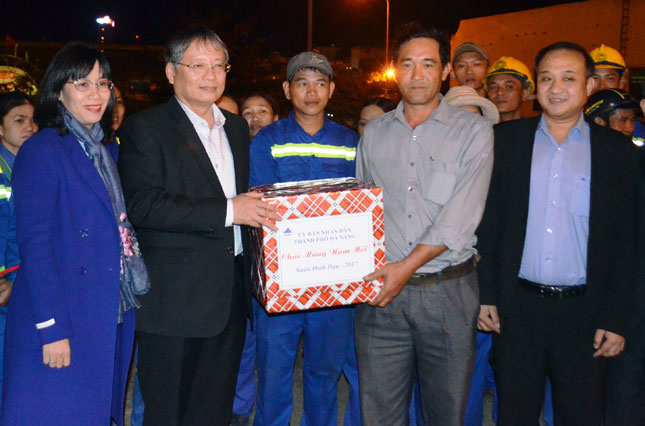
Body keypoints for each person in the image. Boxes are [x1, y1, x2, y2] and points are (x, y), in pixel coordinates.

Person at [117, 26, 279, 426]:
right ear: (171, 72)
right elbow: (143, 205)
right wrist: (229, 211)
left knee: (214, 410)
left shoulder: (236, 129)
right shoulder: (146, 128)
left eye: (219, 66)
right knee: (169, 412)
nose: (211, 75)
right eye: (198, 65)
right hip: (174, 302)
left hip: (229, 298)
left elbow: (248, 203)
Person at [477, 41, 637, 426]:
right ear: (536, 87)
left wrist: (617, 319)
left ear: (587, 87)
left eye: (569, 78)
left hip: (586, 311)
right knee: (513, 412)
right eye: (547, 77)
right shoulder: (506, 142)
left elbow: (628, 243)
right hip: (517, 309)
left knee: (581, 414)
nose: (557, 87)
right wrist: (487, 296)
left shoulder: (619, 152)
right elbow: (489, 225)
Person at [2, 42, 150, 426]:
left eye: (103, 83)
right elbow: (36, 248)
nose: (96, 93)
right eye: (82, 83)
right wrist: (52, 329)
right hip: (63, 315)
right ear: (59, 91)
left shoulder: (101, 149)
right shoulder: (43, 150)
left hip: (105, 308)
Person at [354, 24, 494, 425]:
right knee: (379, 413)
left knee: (445, 412)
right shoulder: (374, 134)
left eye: (428, 64)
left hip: (448, 293)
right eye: (407, 64)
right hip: (382, 298)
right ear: (394, 70)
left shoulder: (475, 131)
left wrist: (404, 269)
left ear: (445, 70)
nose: (417, 75)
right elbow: (363, 209)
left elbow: (460, 219)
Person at [249, 51, 360, 426]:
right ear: (286, 89)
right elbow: (258, 204)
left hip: (333, 285)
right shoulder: (267, 140)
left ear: (331, 89)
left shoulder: (351, 142)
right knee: (274, 375)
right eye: (302, 83)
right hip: (281, 282)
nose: (311, 92)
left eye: (319, 83)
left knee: (323, 375)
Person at [230, 91, 279, 426]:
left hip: (276, 265)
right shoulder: (229, 154)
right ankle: (237, 409)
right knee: (241, 340)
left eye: (263, 111)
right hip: (237, 262)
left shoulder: (280, 152)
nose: (255, 118)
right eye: (247, 112)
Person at [0, 91, 36, 418]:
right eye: (19, 120)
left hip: (20, 286)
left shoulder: (30, 165)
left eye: (32, 120)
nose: (29, 127)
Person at [485, 56, 534, 122]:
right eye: (493, 87)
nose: (500, 92)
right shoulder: (480, 130)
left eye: (509, 86)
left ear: (525, 94)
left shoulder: (535, 131)